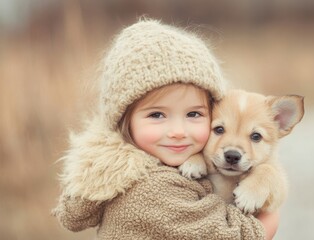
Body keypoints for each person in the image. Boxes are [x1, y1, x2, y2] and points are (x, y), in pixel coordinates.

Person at [52, 19, 279, 239]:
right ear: (124, 120)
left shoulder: (153, 164)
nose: (178, 131)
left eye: (193, 114)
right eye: (157, 115)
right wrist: (271, 219)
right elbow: (229, 235)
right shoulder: (152, 188)